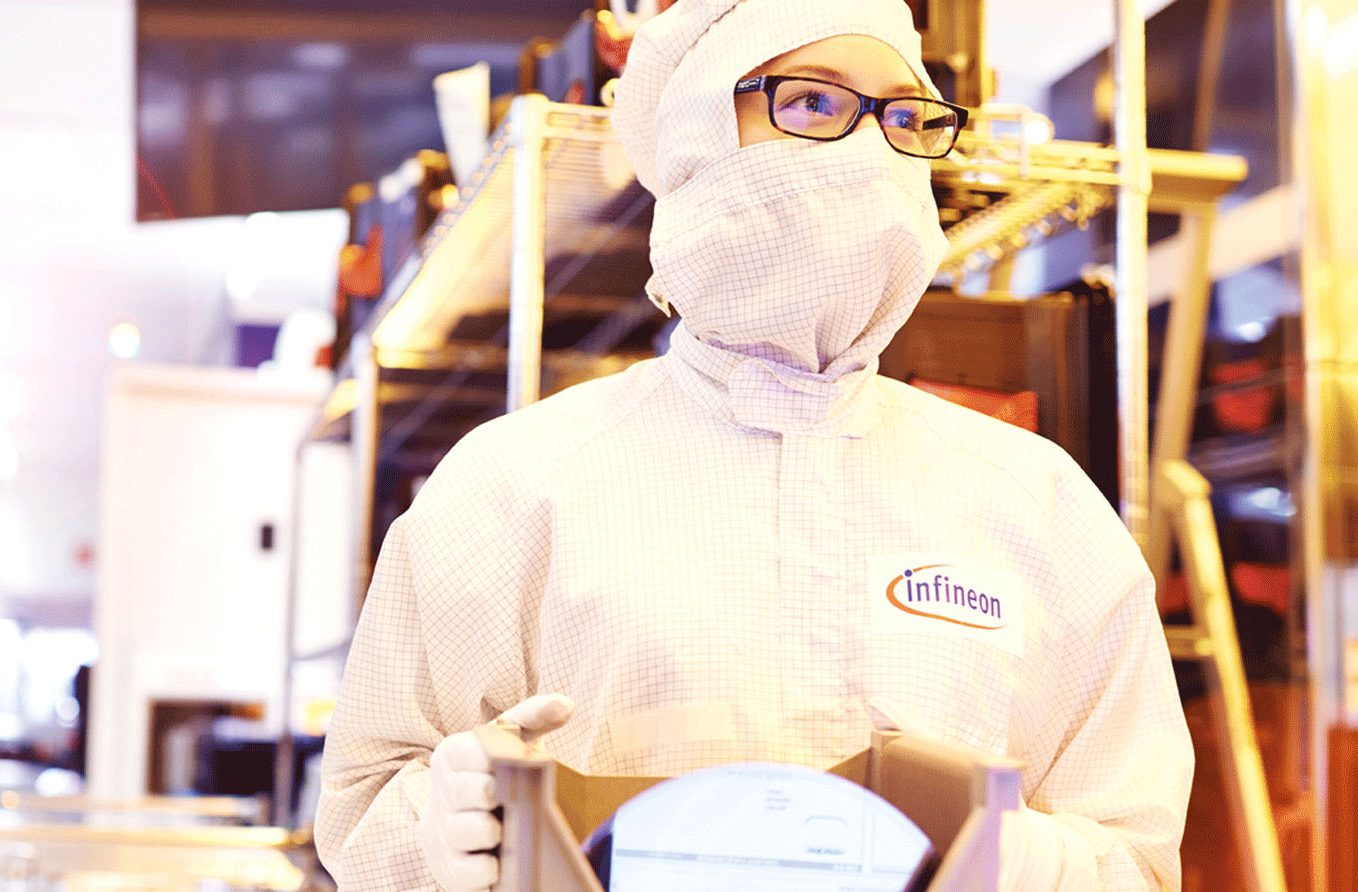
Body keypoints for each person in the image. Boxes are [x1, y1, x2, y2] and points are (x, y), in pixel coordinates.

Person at [313, 1, 1193, 890]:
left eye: (902, 118)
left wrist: (1043, 868)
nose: (868, 152)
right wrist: (431, 834)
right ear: (701, 134)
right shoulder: (512, 485)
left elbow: (1140, 850)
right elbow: (362, 808)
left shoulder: (1039, 504)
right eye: (812, 104)